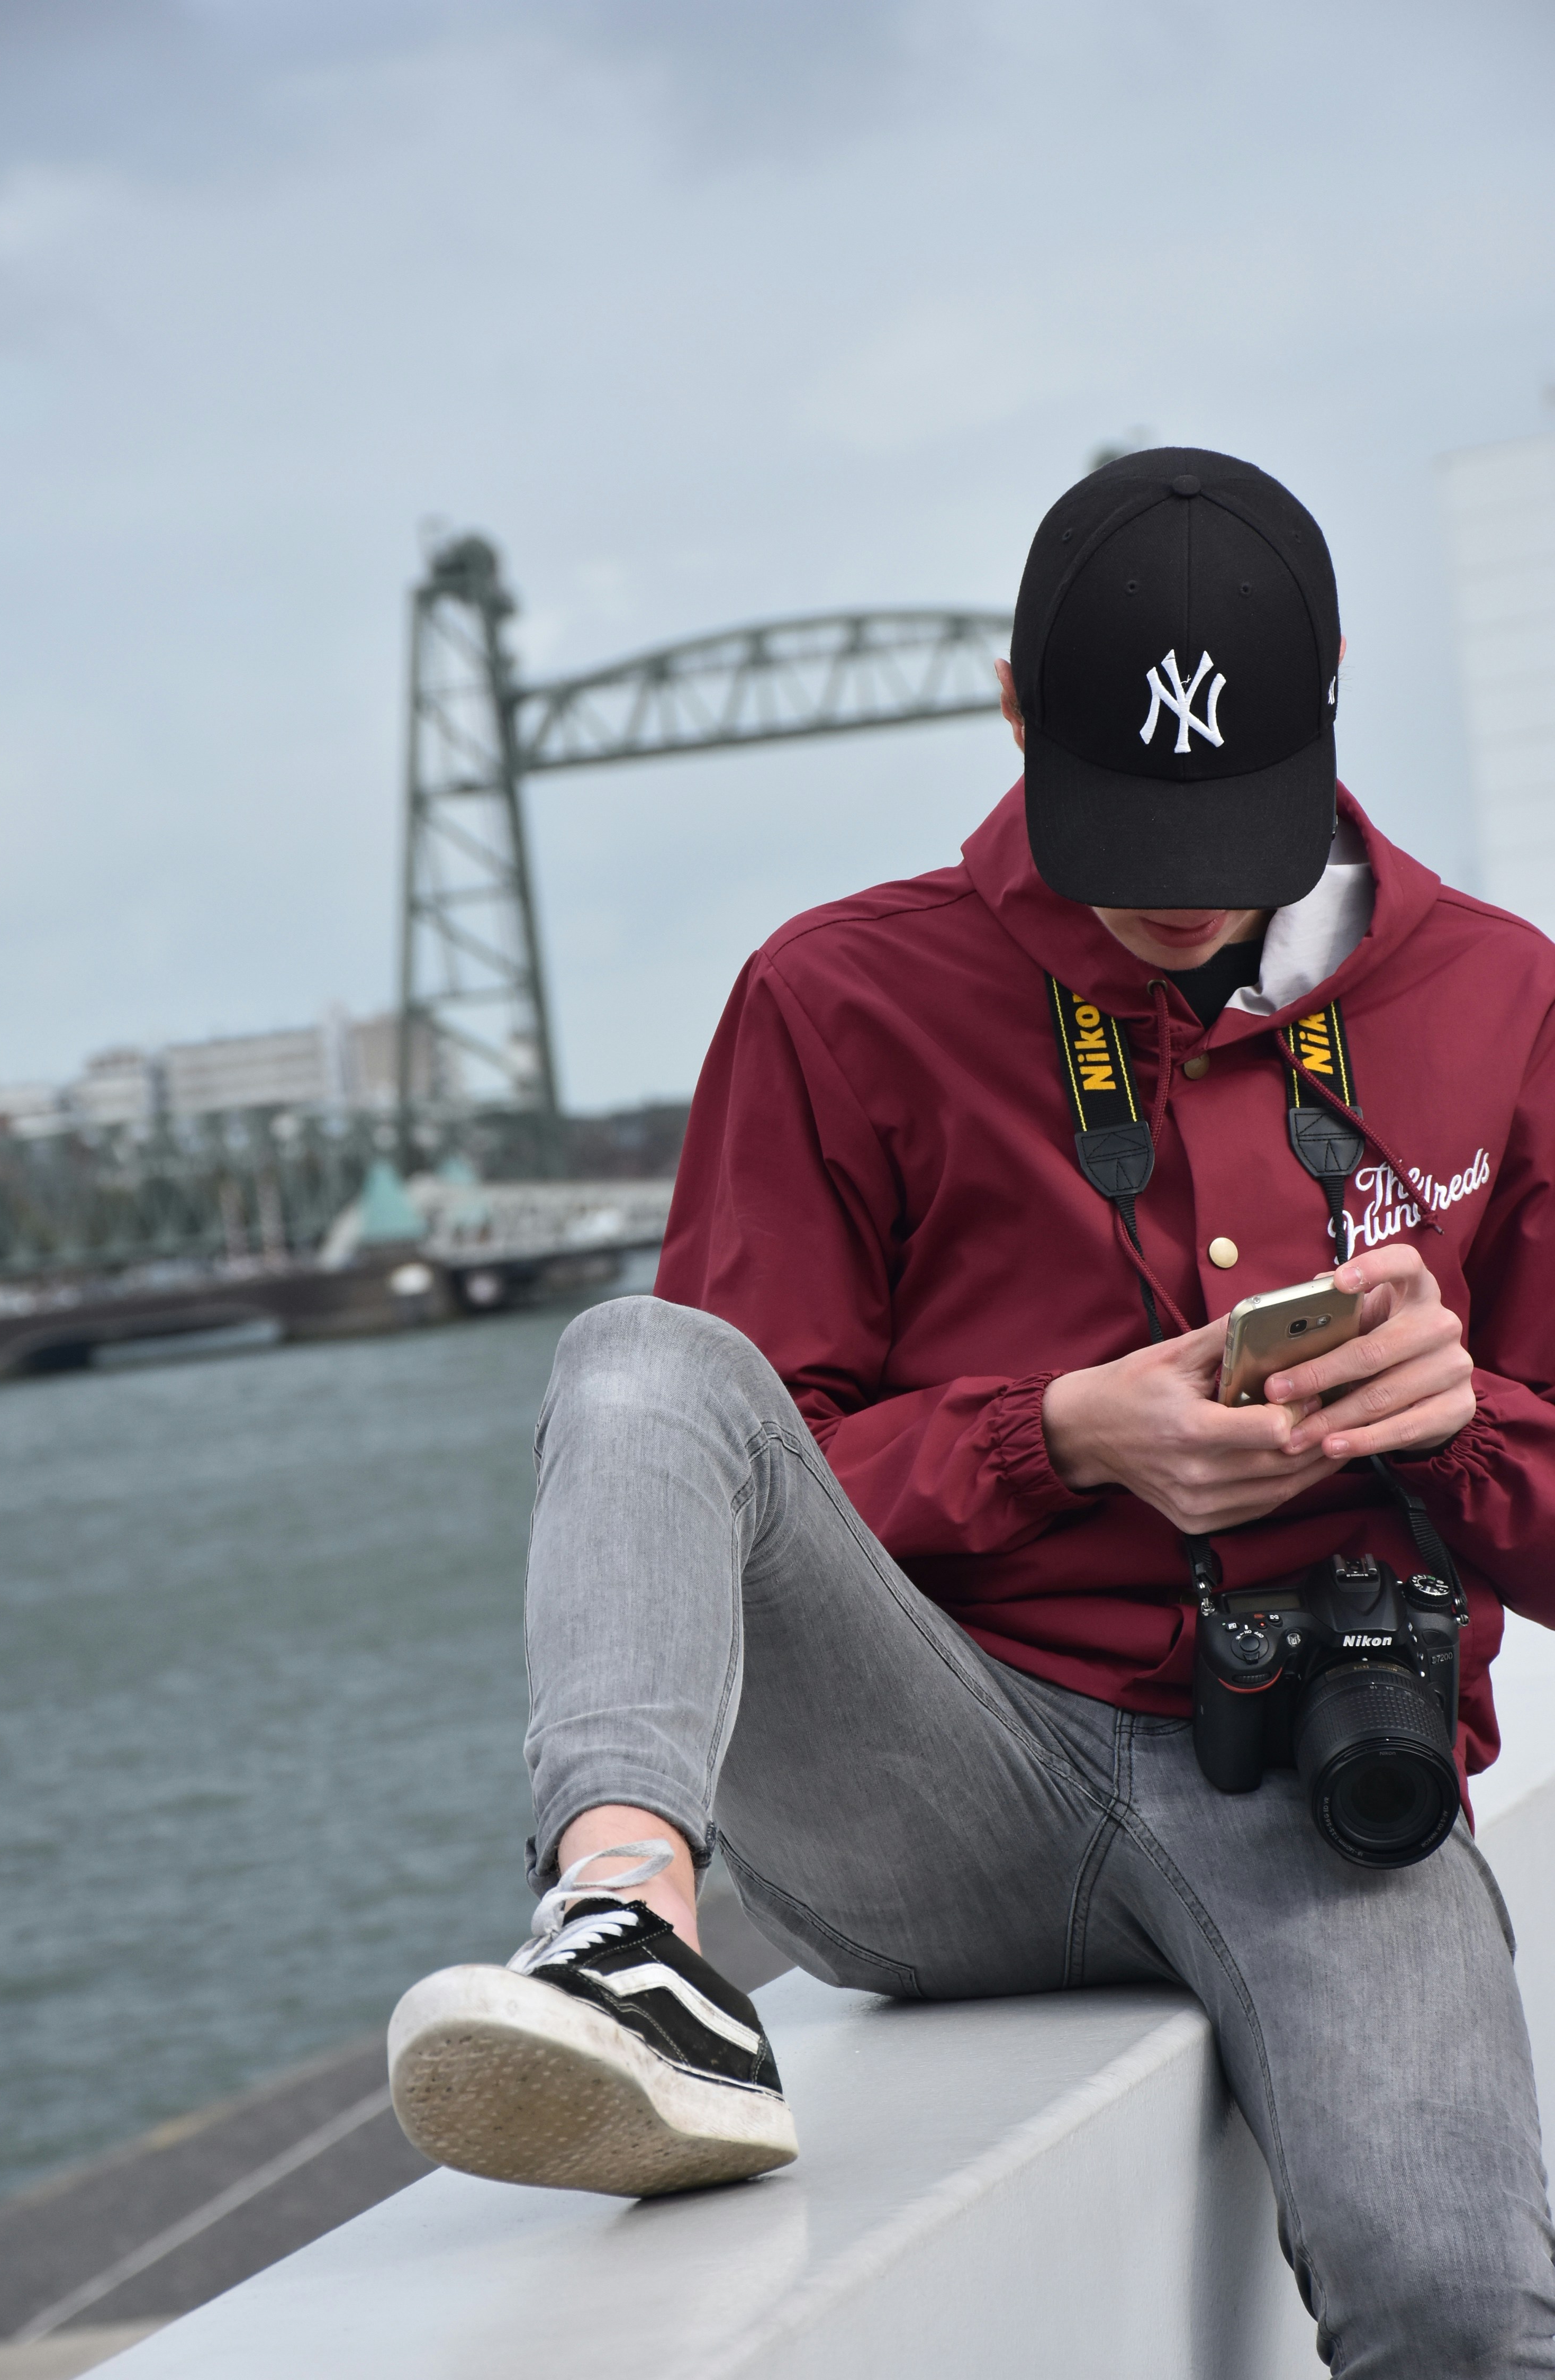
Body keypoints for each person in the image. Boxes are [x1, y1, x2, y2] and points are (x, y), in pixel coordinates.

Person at [388, 449, 1555, 2370]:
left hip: (1329, 1788)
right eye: (1126, 833)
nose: (1178, 900)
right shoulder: (839, 997)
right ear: (1015, 713)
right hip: (944, 1787)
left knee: (1462, 2308)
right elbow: (748, 1482)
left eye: (1224, 833)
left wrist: (1458, 1422)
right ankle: (622, 1931)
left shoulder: (1499, 997)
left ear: (1335, 692)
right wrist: (1061, 1436)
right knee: (642, 1361)